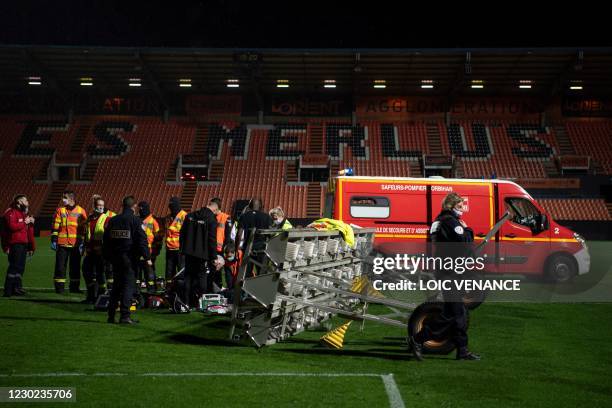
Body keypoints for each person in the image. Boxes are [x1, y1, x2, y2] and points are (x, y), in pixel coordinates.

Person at [409, 192, 481, 361]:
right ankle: (417, 338)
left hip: (444, 269)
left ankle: (462, 350)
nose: (463, 209)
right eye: (461, 206)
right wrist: (467, 228)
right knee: (453, 314)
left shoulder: (438, 221)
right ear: (452, 205)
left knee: (459, 312)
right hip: (450, 272)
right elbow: (465, 243)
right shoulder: (451, 222)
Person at [103, 196, 150, 324]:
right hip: (129, 258)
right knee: (128, 286)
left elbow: (106, 240)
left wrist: (107, 256)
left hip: (115, 258)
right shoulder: (135, 220)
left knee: (116, 287)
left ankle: (111, 315)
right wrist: (147, 257)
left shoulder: (113, 220)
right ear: (134, 207)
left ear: (122, 205)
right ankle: (125, 316)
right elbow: (142, 240)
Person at [179, 201, 218, 308]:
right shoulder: (211, 219)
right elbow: (212, 240)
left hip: (188, 252)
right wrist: (213, 257)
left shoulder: (190, 216)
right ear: (214, 210)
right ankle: (201, 302)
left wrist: (182, 248)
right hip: (202, 254)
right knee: (202, 277)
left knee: (188, 277)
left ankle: (186, 302)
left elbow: (182, 233)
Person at [51, 191, 87, 293]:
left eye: (65, 197)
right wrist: (54, 239)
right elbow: (55, 226)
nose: (63, 199)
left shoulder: (81, 211)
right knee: (60, 266)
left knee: (75, 267)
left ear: (71, 199)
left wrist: (83, 242)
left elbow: (84, 228)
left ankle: (74, 288)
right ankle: (59, 288)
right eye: (63, 197)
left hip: (76, 244)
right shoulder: (60, 210)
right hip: (62, 243)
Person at [82, 195, 115, 303]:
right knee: (87, 272)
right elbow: (87, 235)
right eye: (98, 205)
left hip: (101, 253)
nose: (101, 207)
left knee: (100, 274)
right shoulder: (89, 219)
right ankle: (91, 295)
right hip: (90, 252)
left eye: (102, 205)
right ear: (94, 206)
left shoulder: (106, 218)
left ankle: (101, 295)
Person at [2, 195, 35, 297]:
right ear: (19, 201)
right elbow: (12, 227)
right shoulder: (10, 212)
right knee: (14, 267)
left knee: (20, 268)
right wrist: (25, 222)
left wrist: (31, 246)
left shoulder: (23, 213)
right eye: (25, 200)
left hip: (23, 244)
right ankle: (8, 290)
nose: (27, 201)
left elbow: (28, 232)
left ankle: (17, 288)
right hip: (15, 244)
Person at [236, 199, 273, 277]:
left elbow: (239, 234)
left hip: (248, 248)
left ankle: (246, 289)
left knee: (246, 273)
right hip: (261, 249)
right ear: (260, 206)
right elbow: (270, 233)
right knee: (262, 273)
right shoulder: (266, 217)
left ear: (250, 206)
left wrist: (237, 248)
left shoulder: (244, 216)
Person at [138, 201, 161, 292]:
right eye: (139, 209)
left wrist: (156, 252)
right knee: (138, 273)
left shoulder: (153, 221)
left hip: (150, 252)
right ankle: (137, 293)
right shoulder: (137, 220)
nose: (140, 210)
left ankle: (151, 291)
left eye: (142, 209)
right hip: (138, 252)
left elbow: (158, 238)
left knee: (149, 273)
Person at [164, 197, 187, 285]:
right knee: (169, 273)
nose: (171, 208)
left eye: (172, 205)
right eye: (170, 206)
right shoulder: (168, 217)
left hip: (180, 250)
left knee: (181, 272)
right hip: (169, 249)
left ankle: (181, 290)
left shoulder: (184, 216)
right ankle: (169, 289)